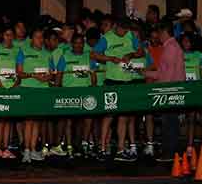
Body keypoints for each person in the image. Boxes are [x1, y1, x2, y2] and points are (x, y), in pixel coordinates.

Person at [91, 17, 145, 162]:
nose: (124, 33)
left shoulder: (130, 35)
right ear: (116, 27)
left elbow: (141, 52)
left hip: (128, 80)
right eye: (122, 30)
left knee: (124, 115)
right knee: (109, 115)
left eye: (126, 30)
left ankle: (121, 149)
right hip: (112, 81)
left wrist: (131, 54)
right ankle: (102, 148)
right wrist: (110, 58)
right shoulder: (106, 38)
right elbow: (93, 54)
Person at [143, 21, 185, 162]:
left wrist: (158, 87)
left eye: (159, 34)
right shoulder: (171, 47)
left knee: (170, 122)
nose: (158, 37)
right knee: (170, 122)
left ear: (164, 33)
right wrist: (147, 73)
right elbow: (164, 72)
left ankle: (169, 153)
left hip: (170, 90)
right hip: (172, 89)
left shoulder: (171, 48)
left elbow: (166, 75)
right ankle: (170, 151)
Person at [56, 33, 95, 156]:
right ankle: (66, 146)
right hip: (68, 93)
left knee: (81, 122)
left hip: (84, 93)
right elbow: (59, 75)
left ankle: (79, 146)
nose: (79, 45)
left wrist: (93, 88)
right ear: (72, 44)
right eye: (76, 43)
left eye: (81, 43)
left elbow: (93, 76)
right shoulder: (64, 57)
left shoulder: (89, 57)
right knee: (68, 121)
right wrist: (57, 90)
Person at [17, 28, 51, 161]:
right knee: (28, 121)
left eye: (42, 37)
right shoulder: (23, 52)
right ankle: (26, 150)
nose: (40, 40)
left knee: (36, 121)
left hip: (42, 90)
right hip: (28, 89)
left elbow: (51, 73)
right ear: (31, 39)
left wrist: (46, 78)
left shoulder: (47, 54)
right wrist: (33, 75)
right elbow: (19, 73)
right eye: (37, 37)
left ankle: (32, 150)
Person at [0, 27, 19, 155]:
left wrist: (14, 86)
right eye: (7, 34)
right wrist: (1, 87)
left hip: (12, 88)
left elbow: (19, 71)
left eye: (11, 35)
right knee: (0, 119)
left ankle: (6, 148)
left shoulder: (18, 51)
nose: (9, 37)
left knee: (9, 120)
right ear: (2, 36)